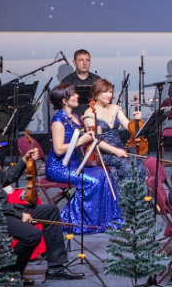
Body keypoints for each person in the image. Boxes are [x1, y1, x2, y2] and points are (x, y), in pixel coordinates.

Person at [0, 116, 83, 283]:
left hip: (0, 208)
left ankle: (56, 268)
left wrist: (24, 161)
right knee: (32, 235)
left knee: (50, 211)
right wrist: (18, 214)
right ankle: (9, 272)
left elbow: (4, 178)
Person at [46, 81, 121, 233]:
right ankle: (73, 220)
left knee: (102, 174)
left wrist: (91, 135)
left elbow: (78, 141)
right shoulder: (58, 121)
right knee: (92, 180)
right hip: (59, 167)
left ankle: (103, 218)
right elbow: (59, 150)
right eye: (73, 94)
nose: (77, 96)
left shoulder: (74, 117)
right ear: (64, 100)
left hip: (75, 163)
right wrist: (81, 141)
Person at [83, 79, 140, 180]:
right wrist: (115, 151)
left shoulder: (115, 108)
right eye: (105, 92)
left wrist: (136, 120)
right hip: (101, 153)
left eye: (110, 92)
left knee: (137, 161)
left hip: (120, 147)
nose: (109, 95)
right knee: (124, 163)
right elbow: (94, 140)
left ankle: (138, 194)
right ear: (96, 94)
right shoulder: (89, 114)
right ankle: (123, 194)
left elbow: (130, 128)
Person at [60, 49, 99, 118]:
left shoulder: (97, 80)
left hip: (94, 117)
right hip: (73, 118)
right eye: (81, 60)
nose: (85, 63)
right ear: (74, 62)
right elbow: (63, 104)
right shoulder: (67, 81)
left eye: (87, 60)